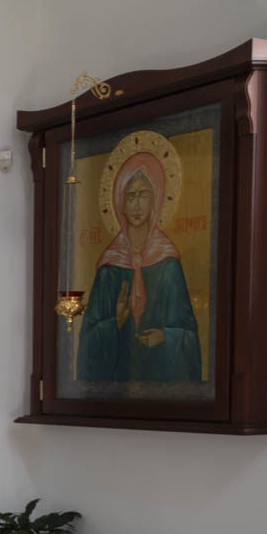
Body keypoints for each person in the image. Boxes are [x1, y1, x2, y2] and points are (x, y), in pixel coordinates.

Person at [76, 149, 201, 382]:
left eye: (144, 195)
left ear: (156, 200)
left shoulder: (169, 265)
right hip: (117, 380)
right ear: (120, 204)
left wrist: (164, 336)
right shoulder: (108, 269)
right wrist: (115, 322)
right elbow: (87, 343)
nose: (136, 205)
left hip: (160, 381)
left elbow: (189, 334)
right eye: (130, 196)